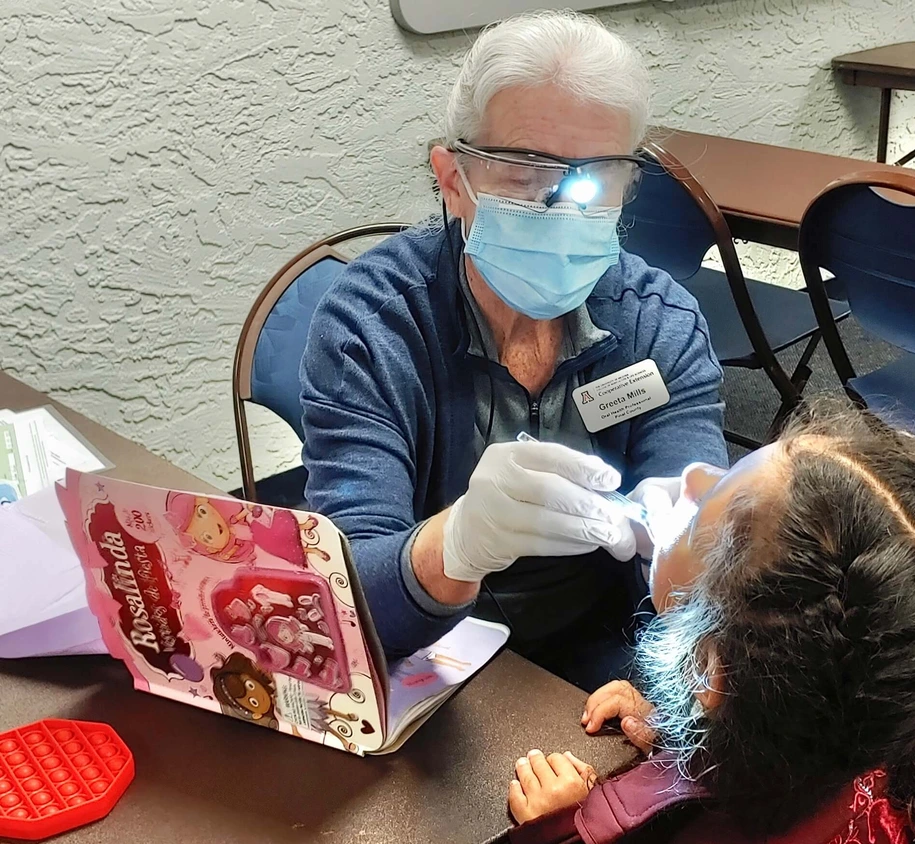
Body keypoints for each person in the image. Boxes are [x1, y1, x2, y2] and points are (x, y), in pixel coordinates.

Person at [300, 11, 726, 689]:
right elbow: (345, 600)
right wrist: (455, 544)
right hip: (423, 653)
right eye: (525, 172)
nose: (562, 205)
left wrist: (684, 567)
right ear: (451, 177)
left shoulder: (659, 324)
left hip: (603, 651)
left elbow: (698, 583)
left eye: (597, 178)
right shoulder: (374, 323)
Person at [502, 405, 915, 844]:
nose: (693, 476)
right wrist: (687, 732)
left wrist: (563, 827)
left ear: (712, 671)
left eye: (705, 507)